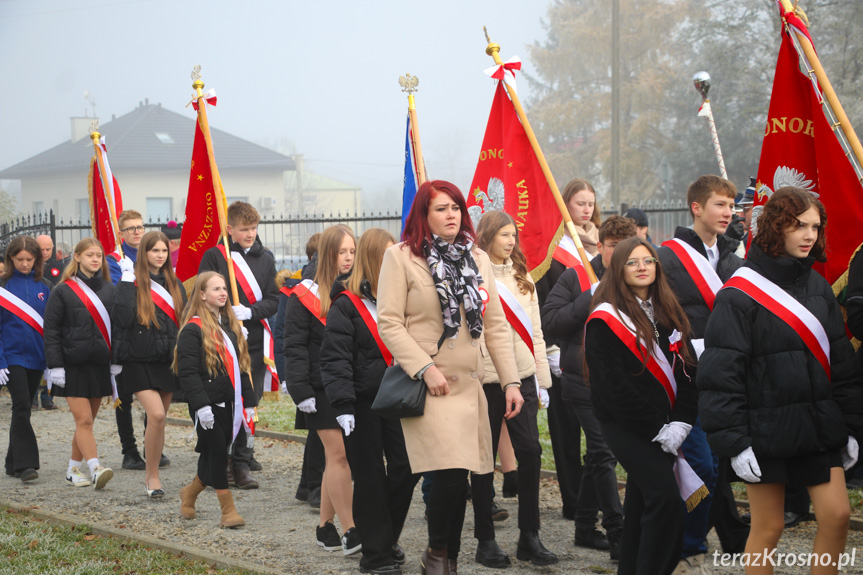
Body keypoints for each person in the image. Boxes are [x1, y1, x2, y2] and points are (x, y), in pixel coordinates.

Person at [698, 187, 862, 575]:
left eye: (815, 227)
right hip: (764, 430)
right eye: (799, 225)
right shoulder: (739, 294)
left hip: (817, 426)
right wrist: (735, 443)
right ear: (776, 227)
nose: (809, 235)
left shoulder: (820, 288)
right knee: (768, 528)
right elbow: (722, 377)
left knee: (837, 516)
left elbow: (841, 366)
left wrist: (852, 428)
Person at [377, 180, 524, 575]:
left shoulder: (476, 257)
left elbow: (494, 326)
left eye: (456, 208)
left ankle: (445, 557)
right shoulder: (401, 257)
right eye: (441, 209)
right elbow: (389, 323)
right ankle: (438, 555)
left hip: (469, 384)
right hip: (430, 384)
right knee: (445, 474)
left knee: (459, 477)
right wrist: (425, 369)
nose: (452, 215)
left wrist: (511, 382)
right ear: (424, 215)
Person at [584, 236, 698, 575]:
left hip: (669, 424)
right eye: (632, 262)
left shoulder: (669, 310)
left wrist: (682, 422)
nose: (642, 267)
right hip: (625, 424)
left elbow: (690, 369)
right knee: (665, 500)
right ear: (618, 269)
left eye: (647, 260)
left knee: (639, 503)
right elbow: (611, 387)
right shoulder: (605, 319)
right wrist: (658, 428)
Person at [656, 175, 749, 571]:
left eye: (730, 206)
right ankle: (687, 546)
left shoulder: (734, 258)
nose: (727, 212)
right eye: (719, 205)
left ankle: (689, 540)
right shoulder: (668, 256)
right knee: (701, 466)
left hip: (727, 377)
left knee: (717, 468)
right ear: (697, 208)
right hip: (687, 378)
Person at [321, 227, 418, 574]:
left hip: (399, 399)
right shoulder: (346, 304)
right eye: (389, 256)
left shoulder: (402, 298)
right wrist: (343, 405)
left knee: (407, 467)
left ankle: (384, 536)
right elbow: (335, 359)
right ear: (374, 259)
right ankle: (375, 555)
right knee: (371, 475)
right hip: (361, 404)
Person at [542, 215, 636, 560]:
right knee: (605, 450)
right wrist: (589, 298)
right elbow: (551, 323)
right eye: (615, 248)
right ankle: (618, 533)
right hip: (582, 378)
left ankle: (584, 526)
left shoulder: (638, 274)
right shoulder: (576, 275)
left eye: (628, 250)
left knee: (598, 454)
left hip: (622, 379)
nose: (623, 256)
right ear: (601, 246)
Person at [470, 210, 558, 568]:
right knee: (482, 462)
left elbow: (535, 334)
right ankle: (485, 540)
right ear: (487, 236)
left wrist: (542, 381)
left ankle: (529, 536)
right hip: (485, 381)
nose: (510, 241)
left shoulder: (525, 280)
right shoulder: (473, 278)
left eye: (513, 235)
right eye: (504, 235)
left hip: (522, 379)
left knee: (531, 452)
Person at [285, 224, 361, 556]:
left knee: (337, 458)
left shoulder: (356, 290)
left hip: (347, 384)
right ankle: (351, 530)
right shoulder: (302, 295)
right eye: (342, 252)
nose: (348, 257)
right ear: (327, 254)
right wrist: (301, 391)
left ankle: (324, 526)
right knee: (340, 455)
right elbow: (296, 347)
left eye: (352, 251)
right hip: (317, 388)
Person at [533, 177, 602, 520]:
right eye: (579, 203)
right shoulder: (554, 248)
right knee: (564, 430)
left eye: (591, 203)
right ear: (565, 205)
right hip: (562, 348)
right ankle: (572, 500)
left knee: (599, 432)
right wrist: (550, 347)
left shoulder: (601, 244)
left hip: (597, 348)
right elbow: (546, 301)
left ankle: (595, 496)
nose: (586, 209)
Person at [198, 201, 279, 486]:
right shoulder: (214, 256)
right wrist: (228, 318)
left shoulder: (265, 258)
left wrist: (251, 312)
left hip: (253, 343)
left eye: (254, 228)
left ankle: (242, 463)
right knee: (224, 404)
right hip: (220, 342)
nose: (250, 234)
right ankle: (222, 461)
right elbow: (202, 296)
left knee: (249, 402)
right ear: (229, 229)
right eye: (244, 229)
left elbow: (274, 299)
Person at [175, 271, 256, 528]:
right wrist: (201, 406)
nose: (223, 293)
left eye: (224, 288)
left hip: (230, 403)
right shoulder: (192, 330)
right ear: (202, 295)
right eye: (216, 289)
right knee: (219, 454)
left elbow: (242, 367)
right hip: (207, 405)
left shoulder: (230, 327)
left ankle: (189, 494)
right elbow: (187, 373)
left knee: (212, 454)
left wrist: (249, 401)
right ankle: (228, 511)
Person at [112, 231, 187, 498]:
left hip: (167, 361)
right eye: (154, 250)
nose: (159, 255)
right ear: (143, 253)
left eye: (164, 251)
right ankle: (152, 478)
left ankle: (152, 467)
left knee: (159, 420)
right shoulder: (132, 282)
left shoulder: (175, 284)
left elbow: (185, 321)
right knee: (155, 415)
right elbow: (121, 319)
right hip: (139, 361)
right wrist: (125, 281)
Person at [43, 238, 118, 490]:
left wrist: (115, 361)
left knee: (85, 422)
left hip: (99, 365)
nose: (95, 259)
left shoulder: (110, 289)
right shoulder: (62, 290)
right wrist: (55, 366)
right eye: (89, 255)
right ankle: (95, 467)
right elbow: (51, 330)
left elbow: (116, 329)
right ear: (77, 257)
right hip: (71, 365)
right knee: (84, 420)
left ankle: (73, 469)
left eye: (99, 255)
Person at [277, 233, 325, 509]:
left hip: (323, 370)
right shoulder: (295, 291)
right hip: (308, 372)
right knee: (318, 431)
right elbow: (285, 335)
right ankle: (313, 486)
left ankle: (306, 486)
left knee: (317, 433)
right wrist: (287, 376)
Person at [0, 237, 51, 482]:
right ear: (11, 258)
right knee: (21, 405)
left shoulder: (45, 286)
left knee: (24, 410)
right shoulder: (3, 285)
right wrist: (0, 360)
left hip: (37, 356)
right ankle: (26, 465)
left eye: (29, 260)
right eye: (20, 259)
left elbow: (51, 325)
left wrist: (52, 361)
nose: (24, 264)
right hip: (11, 356)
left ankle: (11, 462)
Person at [105, 210, 149, 471]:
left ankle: (150, 445)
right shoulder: (114, 260)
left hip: (149, 336)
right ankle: (129, 451)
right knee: (124, 399)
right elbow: (119, 293)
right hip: (124, 335)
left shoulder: (150, 254)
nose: (136, 231)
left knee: (152, 394)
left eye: (140, 226)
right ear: (120, 233)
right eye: (131, 228)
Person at [32, 234, 62, 410]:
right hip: (34, 317)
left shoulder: (59, 267)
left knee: (50, 361)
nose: (44, 253)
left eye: (47, 249)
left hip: (52, 317)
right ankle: (33, 397)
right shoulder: (30, 266)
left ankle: (48, 396)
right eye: (41, 249)